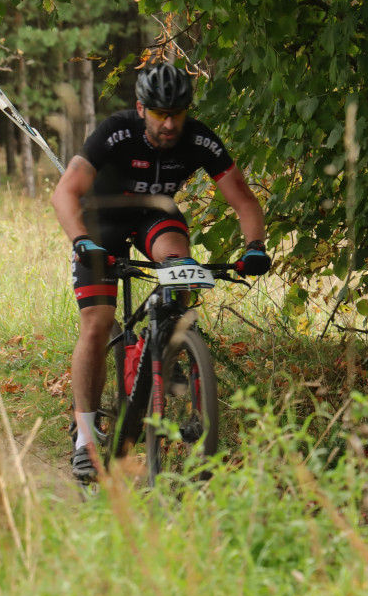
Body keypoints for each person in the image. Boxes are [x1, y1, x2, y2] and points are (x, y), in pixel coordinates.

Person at [50, 63, 272, 482]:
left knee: (180, 261)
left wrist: (255, 247)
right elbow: (65, 192)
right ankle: (85, 438)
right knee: (97, 324)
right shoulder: (116, 132)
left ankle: (168, 340)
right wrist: (81, 241)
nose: (169, 124)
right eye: (159, 114)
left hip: (154, 218)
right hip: (101, 224)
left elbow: (242, 198)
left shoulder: (199, 138)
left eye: (177, 113)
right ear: (141, 108)